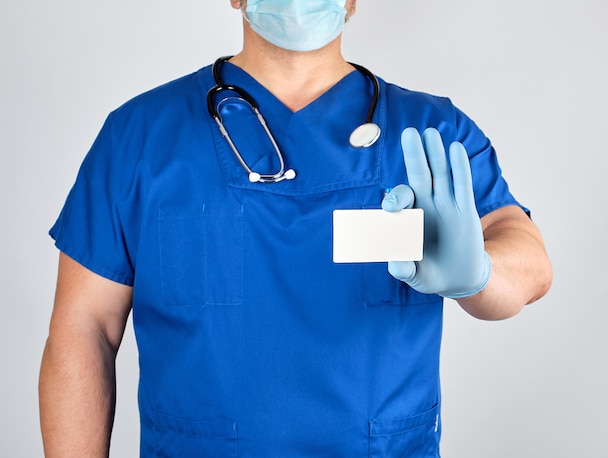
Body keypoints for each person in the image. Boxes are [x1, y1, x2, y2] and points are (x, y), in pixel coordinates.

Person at [39, 0, 552, 456]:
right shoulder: (140, 137)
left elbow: (530, 266)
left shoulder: (432, 133)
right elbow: (85, 328)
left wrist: (478, 272)